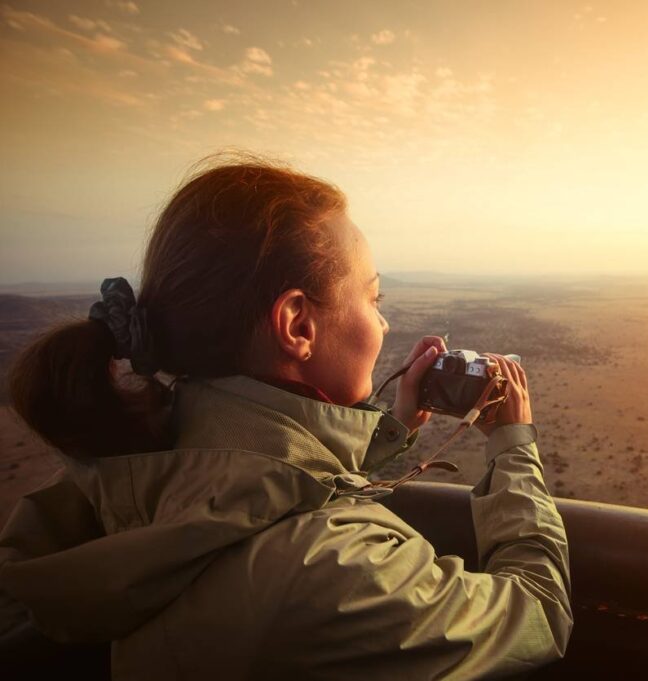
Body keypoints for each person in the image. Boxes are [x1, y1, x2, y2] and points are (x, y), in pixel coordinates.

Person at [0, 155, 572, 679]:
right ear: (298, 325)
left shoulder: (124, 474)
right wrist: (513, 443)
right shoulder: (338, 573)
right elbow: (537, 614)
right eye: (373, 300)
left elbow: (256, 488)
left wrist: (392, 429)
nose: (384, 326)